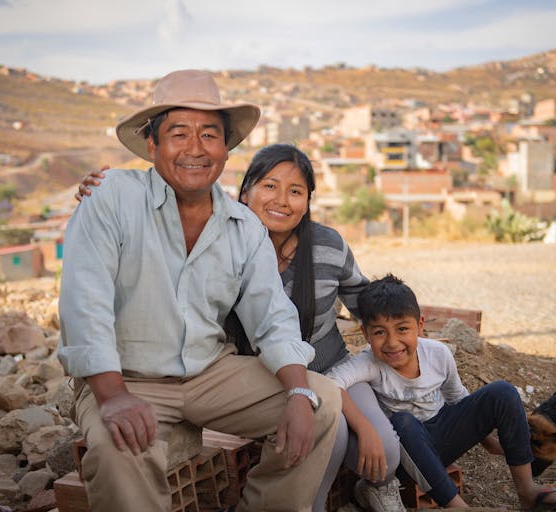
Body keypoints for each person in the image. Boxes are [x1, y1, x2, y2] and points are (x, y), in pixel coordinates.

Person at [57, 69, 342, 512]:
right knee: (119, 449)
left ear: (226, 149)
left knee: (321, 400)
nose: (195, 148)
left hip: (211, 375)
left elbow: (272, 316)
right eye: (178, 133)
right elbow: (84, 302)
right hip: (128, 378)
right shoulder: (110, 197)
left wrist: (299, 394)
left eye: (209, 135)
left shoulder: (244, 225)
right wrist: (112, 397)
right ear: (152, 145)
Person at [76, 144, 406, 512]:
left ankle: (373, 486)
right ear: (245, 191)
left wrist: (405, 342)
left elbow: (367, 302)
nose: (281, 200)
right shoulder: (218, 240)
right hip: (262, 376)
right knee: (335, 434)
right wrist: (104, 194)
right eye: (269, 186)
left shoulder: (327, 246)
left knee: (384, 455)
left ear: (308, 201)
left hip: (332, 370)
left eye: (295, 191)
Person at [325, 274, 556, 511]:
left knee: (502, 392)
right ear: (366, 334)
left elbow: (458, 398)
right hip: (404, 455)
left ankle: (527, 492)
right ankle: (459, 507)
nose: (392, 342)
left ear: (420, 325)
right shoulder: (368, 363)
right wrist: (366, 428)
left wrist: (489, 442)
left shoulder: (439, 354)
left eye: (402, 329)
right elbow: (331, 383)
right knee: (403, 422)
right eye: (380, 332)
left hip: (442, 437)